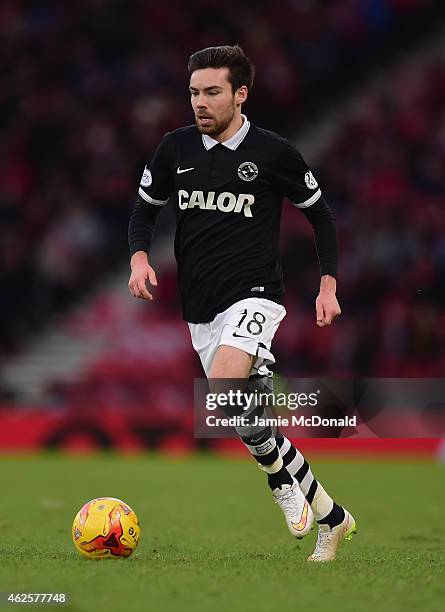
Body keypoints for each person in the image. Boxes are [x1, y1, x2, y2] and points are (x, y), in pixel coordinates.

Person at [128, 45, 356, 562]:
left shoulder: (273, 154)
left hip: (256, 293)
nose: (200, 103)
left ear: (240, 94)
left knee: (226, 387)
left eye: (212, 92)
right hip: (201, 308)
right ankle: (332, 516)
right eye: (193, 93)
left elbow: (322, 217)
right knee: (240, 414)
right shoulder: (175, 149)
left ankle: (278, 481)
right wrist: (140, 259)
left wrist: (328, 285)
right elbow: (143, 209)